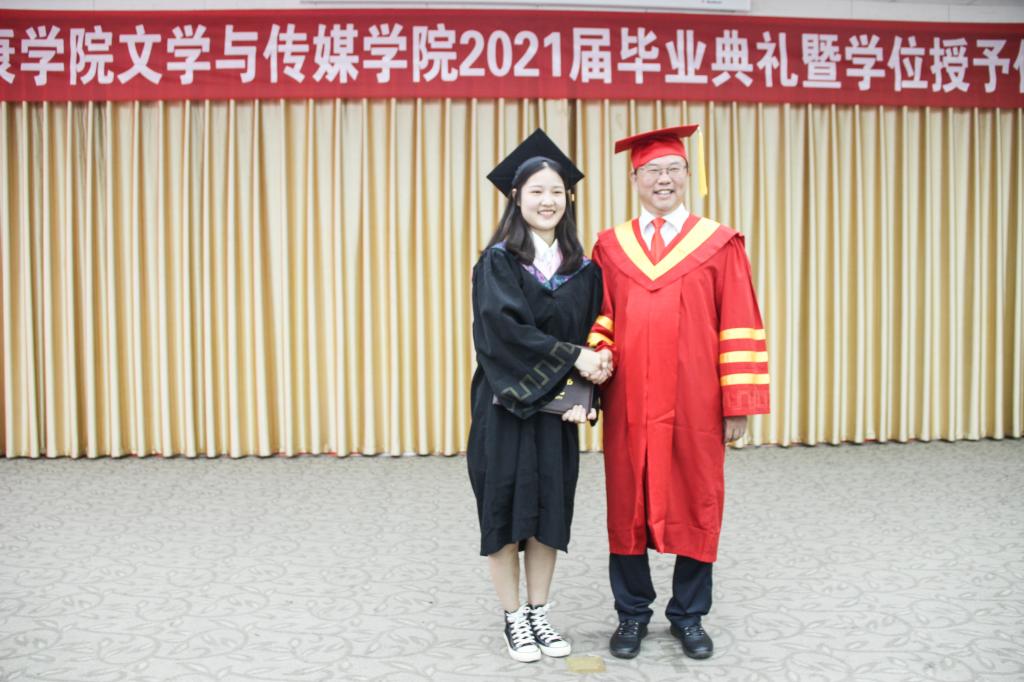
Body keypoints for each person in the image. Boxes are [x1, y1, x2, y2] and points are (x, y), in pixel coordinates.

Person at [586, 124, 770, 660]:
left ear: (689, 175)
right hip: (628, 399)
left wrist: (738, 403)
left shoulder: (719, 243)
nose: (662, 179)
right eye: (651, 170)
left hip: (696, 400)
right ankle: (631, 614)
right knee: (627, 500)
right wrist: (595, 367)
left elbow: (740, 321)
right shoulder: (610, 246)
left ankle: (689, 615)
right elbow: (598, 317)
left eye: (672, 169)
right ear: (634, 179)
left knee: (697, 497)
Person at [467, 129, 609, 663]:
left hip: (557, 412)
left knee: (549, 511)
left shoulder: (584, 270)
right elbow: (501, 334)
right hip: (504, 408)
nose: (547, 201)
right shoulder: (498, 262)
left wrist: (585, 394)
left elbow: (595, 334)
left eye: (556, 191)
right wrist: (574, 359)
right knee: (504, 512)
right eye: (536, 192)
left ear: (567, 197)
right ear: (516, 197)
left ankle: (539, 613)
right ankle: (513, 618)